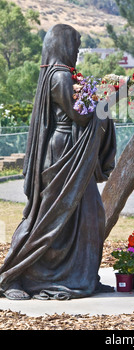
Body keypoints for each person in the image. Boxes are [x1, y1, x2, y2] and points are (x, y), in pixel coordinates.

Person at [0, 24, 116, 300]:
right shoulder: (60, 76)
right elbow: (82, 116)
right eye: (75, 45)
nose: (77, 51)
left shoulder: (59, 74)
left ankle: (81, 275)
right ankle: (14, 275)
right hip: (63, 154)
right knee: (49, 218)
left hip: (71, 153)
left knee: (89, 215)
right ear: (64, 45)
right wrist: (111, 98)